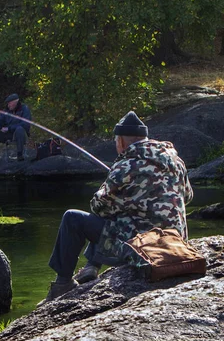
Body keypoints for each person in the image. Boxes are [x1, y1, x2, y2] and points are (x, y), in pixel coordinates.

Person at [40, 111, 193, 304]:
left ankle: (63, 284)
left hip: (143, 248)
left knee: (73, 218)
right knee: (119, 211)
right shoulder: (176, 161)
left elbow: (98, 207)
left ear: (121, 141)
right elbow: (187, 196)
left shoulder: (125, 167)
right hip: (176, 242)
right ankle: (91, 268)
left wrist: (111, 187)